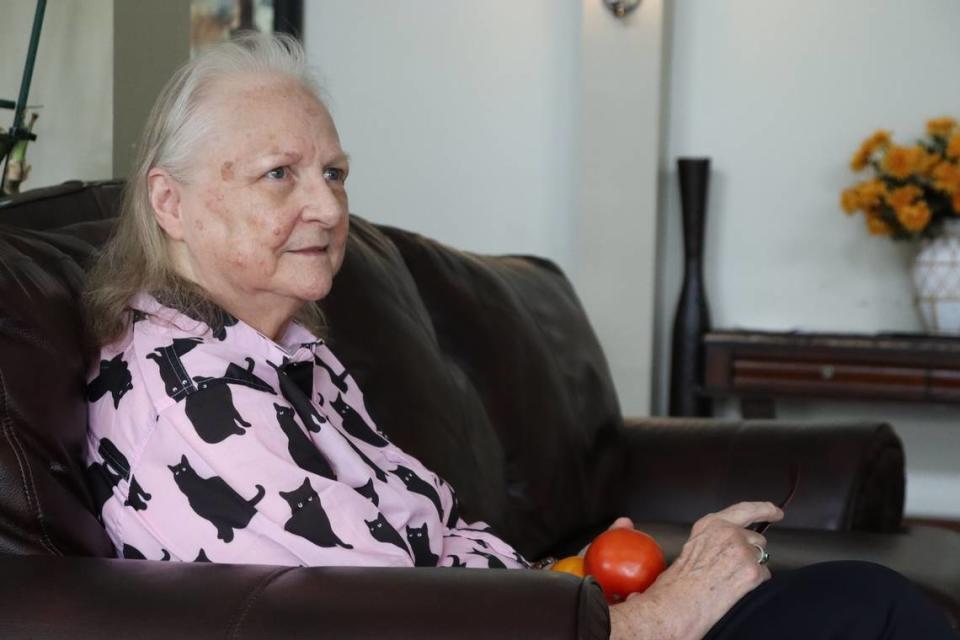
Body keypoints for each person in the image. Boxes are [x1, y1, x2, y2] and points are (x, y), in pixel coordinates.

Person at [83, 33, 958, 639]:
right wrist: (656, 615)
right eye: (281, 175)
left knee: (844, 601)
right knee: (867, 614)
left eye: (334, 172)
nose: (327, 206)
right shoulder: (186, 394)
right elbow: (382, 620)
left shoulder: (286, 355)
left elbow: (424, 556)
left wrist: (586, 576)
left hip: (549, 618)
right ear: (172, 202)